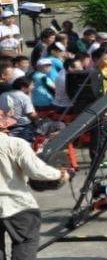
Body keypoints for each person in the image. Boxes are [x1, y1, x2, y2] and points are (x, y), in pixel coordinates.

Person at [0, 110, 69, 260]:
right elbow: (35, 171)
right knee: (25, 243)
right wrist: (59, 174)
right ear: (5, 125)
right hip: (17, 205)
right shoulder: (15, 144)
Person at [0, 77, 37, 142]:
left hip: (7, 127)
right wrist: (38, 120)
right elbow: (31, 114)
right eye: (32, 85)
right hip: (23, 127)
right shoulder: (24, 97)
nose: (33, 87)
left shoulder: (3, 95)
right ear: (23, 86)